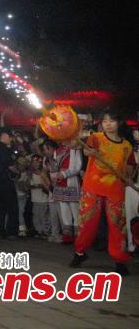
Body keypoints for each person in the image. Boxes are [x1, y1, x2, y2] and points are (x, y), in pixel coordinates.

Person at [71, 110, 136, 275]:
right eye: (105, 121)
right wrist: (90, 152)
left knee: (117, 225)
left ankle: (120, 260)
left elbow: (129, 168)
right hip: (92, 187)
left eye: (112, 120)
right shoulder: (96, 138)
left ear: (119, 123)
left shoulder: (126, 145)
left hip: (115, 189)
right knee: (87, 222)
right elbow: (86, 150)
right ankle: (80, 252)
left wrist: (128, 178)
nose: (108, 124)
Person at [0, 131, 19, 239]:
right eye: (9, 137)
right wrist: (17, 172)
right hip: (6, 182)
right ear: (5, 136)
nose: (10, 139)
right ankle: (12, 232)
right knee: (12, 208)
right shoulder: (5, 150)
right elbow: (10, 166)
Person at [52, 140, 83, 243]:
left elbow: (78, 167)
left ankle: (78, 237)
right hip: (60, 183)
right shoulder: (57, 151)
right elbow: (54, 167)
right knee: (64, 210)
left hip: (71, 182)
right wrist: (55, 175)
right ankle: (67, 236)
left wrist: (64, 174)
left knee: (75, 210)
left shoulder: (74, 149)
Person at [29, 154, 51, 238]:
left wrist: (42, 186)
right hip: (35, 198)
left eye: (37, 162)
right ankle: (39, 230)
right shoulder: (30, 173)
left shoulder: (43, 173)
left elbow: (48, 184)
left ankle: (45, 231)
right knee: (36, 215)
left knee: (43, 215)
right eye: (34, 162)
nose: (35, 164)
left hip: (43, 198)